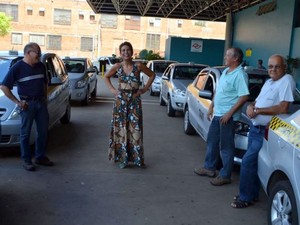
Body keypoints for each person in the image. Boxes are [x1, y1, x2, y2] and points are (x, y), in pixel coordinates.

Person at [231, 54, 295, 208]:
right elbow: (257, 100)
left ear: (284, 68)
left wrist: (258, 111)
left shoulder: (286, 80)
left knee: (247, 162)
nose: (273, 69)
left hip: (266, 132)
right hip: (255, 129)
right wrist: (251, 105)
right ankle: (251, 195)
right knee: (253, 164)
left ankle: (245, 197)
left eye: (277, 66)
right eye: (270, 66)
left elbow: (283, 107)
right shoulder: (269, 82)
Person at [193, 47, 249, 186]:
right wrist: (212, 106)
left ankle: (225, 175)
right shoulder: (226, 72)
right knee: (211, 142)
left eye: (227, 55)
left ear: (235, 58)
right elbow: (219, 91)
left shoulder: (240, 74)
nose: (225, 57)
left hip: (227, 117)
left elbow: (244, 97)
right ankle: (209, 168)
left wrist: (229, 113)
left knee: (226, 147)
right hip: (218, 114)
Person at [0, 42, 54, 171]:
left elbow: (45, 83)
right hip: (27, 105)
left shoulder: (40, 66)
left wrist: (45, 99)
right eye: (37, 53)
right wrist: (18, 102)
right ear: (28, 53)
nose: (39, 55)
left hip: (41, 103)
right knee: (25, 134)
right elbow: (4, 86)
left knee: (42, 132)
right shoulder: (17, 68)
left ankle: (40, 157)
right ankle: (27, 160)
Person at [104, 41, 155, 169]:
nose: (126, 52)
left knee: (135, 129)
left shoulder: (138, 66)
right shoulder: (117, 66)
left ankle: (137, 159)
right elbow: (106, 77)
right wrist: (113, 90)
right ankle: (122, 158)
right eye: (123, 50)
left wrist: (144, 89)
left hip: (134, 101)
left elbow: (152, 75)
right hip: (120, 102)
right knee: (121, 130)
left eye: (128, 50)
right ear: (120, 53)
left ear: (132, 52)